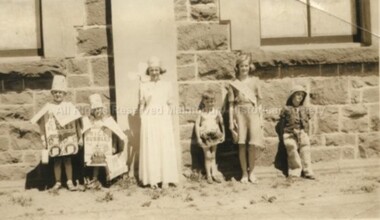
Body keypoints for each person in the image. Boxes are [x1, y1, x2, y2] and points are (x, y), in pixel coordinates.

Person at [31, 74, 82, 191]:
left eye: (60, 92)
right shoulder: (48, 107)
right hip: (55, 139)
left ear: (64, 94)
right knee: (57, 161)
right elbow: (42, 123)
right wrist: (43, 138)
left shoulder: (69, 106)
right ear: (52, 94)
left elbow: (77, 122)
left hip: (67, 138)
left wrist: (79, 137)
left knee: (68, 160)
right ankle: (58, 182)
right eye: (55, 92)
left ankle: (69, 181)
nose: (58, 94)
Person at [138, 56, 179, 189]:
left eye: (156, 70)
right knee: (152, 148)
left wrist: (171, 120)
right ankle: (153, 179)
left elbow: (171, 103)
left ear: (160, 71)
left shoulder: (167, 85)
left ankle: (166, 178)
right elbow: (142, 105)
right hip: (149, 119)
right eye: (151, 70)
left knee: (164, 146)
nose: (154, 72)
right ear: (148, 71)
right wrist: (142, 118)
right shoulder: (143, 86)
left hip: (163, 118)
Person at [227, 54, 264, 184]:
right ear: (238, 67)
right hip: (239, 114)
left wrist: (261, 120)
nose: (244, 68)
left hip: (252, 114)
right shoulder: (233, 84)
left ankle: (252, 172)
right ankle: (244, 172)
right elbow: (231, 104)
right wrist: (231, 123)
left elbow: (259, 103)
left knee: (252, 144)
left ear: (250, 67)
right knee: (242, 145)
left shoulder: (255, 81)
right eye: (242, 66)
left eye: (246, 66)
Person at [82, 94, 127, 189]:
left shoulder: (107, 121)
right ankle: (95, 179)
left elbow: (114, 133)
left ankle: (109, 178)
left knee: (108, 162)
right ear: (92, 111)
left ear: (102, 110)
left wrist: (114, 145)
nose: (98, 111)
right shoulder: (90, 122)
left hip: (106, 146)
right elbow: (85, 133)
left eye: (99, 109)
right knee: (96, 163)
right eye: (95, 110)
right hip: (96, 147)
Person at [278, 85, 315, 180]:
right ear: (292, 96)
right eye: (298, 94)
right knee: (292, 150)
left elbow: (308, 122)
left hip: (302, 132)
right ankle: (295, 171)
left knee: (305, 150)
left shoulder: (305, 109)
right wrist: (283, 135)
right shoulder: (286, 109)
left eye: (302, 95)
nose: (300, 97)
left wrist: (308, 133)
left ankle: (308, 171)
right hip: (289, 133)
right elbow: (282, 124)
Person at [194, 90, 225, 184]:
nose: (210, 104)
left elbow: (221, 124)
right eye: (207, 102)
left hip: (215, 135)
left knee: (213, 156)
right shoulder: (201, 113)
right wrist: (198, 138)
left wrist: (223, 134)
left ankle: (214, 174)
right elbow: (197, 125)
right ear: (203, 102)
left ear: (214, 102)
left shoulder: (216, 112)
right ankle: (208, 175)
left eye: (212, 102)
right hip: (205, 136)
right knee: (207, 155)